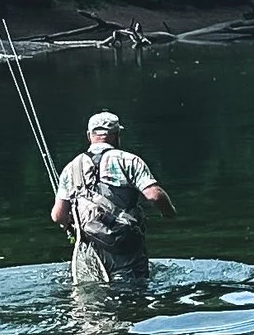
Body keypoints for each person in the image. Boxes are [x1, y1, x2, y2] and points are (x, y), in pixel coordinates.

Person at [50, 108, 173, 285]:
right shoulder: (129, 160)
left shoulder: (71, 168)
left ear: (89, 135)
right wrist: (169, 212)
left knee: (96, 292)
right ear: (116, 135)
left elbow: (57, 216)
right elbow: (154, 195)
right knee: (133, 291)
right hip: (125, 244)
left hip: (91, 246)